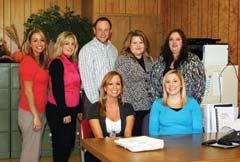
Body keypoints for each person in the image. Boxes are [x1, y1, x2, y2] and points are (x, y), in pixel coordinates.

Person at [46, 31, 81, 162]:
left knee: (68, 145)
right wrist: (64, 112)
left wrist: (79, 109)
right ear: (60, 45)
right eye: (67, 43)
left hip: (70, 110)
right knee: (61, 147)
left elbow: (77, 88)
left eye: (73, 44)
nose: (70, 46)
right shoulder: (57, 63)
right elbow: (58, 90)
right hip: (58, 110)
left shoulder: (73, 63)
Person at [86, 71, 135, 162]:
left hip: (121, 151)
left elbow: (128, 135)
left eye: (118, 84)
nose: (115, 87)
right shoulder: (95, 108)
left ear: (121, 88)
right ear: (105, 87)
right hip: (98, 153)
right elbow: (99, 139)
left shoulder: (128, 108)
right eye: (110, 84)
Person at [150, 28, 205, 104]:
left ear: (183, 42)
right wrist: (159, 105)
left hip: (186, 107)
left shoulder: (193, 60)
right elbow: (153, 85)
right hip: (164, 107)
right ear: (168, 43)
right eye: (171, 39)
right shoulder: (160, 60)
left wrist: (190, 106)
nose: (174, 42)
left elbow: (200, 87)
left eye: (178, 39)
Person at [18, 29, 49, 162]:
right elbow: (28, 91)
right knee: (30, 154)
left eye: (41, 40)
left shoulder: (42, 62)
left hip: (39, 111)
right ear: (29, 44)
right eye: (35, 40)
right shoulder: (28, 62)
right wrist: (36, 116)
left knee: (34, 152)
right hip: (30, 113)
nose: (39, 43)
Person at [115, 30, 153, 136]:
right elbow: (119, 84)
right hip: (131, 108)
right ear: (129, 45)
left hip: (148, 107)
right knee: (133, 138)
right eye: (134, 43)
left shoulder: (149, 60)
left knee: (146, 138)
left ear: (145, 45)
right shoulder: (123, 60)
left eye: (141, 42)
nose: (138, 45)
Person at [78, 16, 118, 118]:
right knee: (93, 132)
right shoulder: (87, 50)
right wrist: (98, 104)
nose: (103, 33)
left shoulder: (114, 50)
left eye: (106, 30)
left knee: (109, 131)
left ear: (111, 31)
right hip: (93, 99)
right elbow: (87, 80)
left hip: (110, 96)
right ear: (94, 30)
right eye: (100, 29)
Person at [149, 69, 203, 136]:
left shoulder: (192, 103)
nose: (171, 84)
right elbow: (153, 131)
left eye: (175, 81)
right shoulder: (157, 104)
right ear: (164, 86)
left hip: (188, 144)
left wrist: (193, 146)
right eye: (168, 82)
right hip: (164, 144)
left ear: (181, 84)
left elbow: (197, 130)